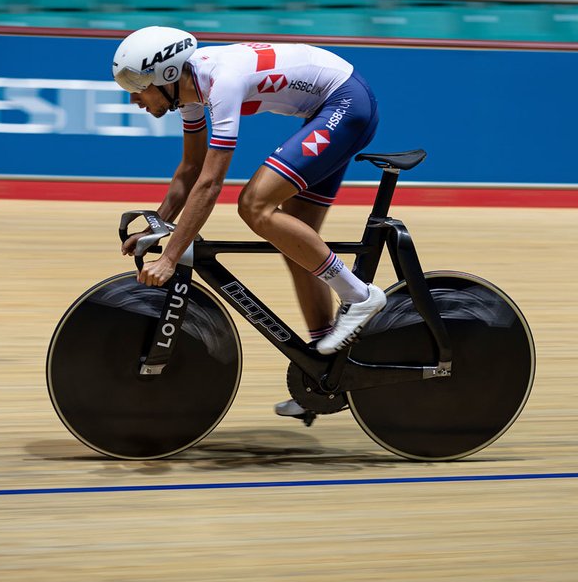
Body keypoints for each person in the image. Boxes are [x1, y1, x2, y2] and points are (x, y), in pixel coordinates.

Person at [112, 26, 386, 417]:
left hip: (345, 102)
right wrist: (157, 223)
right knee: (296, 243)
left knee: (254, 205)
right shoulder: (189, 93)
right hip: (329, 107)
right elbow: (190, 169)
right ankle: (326, 371)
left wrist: (170, 257)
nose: (135, 99)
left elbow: (210, 183)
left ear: (168, 77)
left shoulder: (221, 82)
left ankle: (360, 296)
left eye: (139, 88)